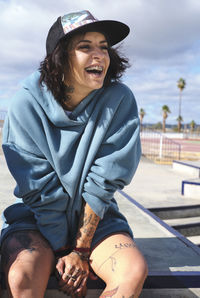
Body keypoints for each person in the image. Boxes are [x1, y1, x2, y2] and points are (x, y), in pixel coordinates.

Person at [1, 10, 148, 298]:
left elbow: (105, 181)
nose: (99, 56)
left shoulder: (119, 100)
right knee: (21, 276)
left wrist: (80, 250)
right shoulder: (26, 104)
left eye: (103, 48)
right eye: (85, 47)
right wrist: (61, 250)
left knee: (132, 273)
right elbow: (38, 188)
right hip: (36, 219)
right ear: (60, 57)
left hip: (98, 218)